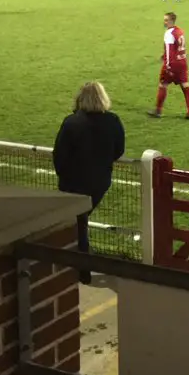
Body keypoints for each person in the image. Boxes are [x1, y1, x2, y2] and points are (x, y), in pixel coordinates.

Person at [52, 81, 126, 284]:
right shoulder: (113, 121)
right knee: (80, 222)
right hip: (100, 182)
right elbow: (119, 150)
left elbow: (59, 156)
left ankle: (81, 269)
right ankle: (82, 266)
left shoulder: (71, 122)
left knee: (78, 223)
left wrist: (65, 177)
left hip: (73, 184)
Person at [148, 12, 189, 118]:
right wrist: (164, 54)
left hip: (172, 63)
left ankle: (158, 110)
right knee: (185, 85)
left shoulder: (169, 33)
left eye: (166, 20)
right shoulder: (179, 31)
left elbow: (170, 51)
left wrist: (168, 66)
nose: (164, 22)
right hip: (182, 62)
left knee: (163, 84)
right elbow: (178, 47)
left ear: (171, 21)